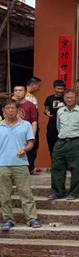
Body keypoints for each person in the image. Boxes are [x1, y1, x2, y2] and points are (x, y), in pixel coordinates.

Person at [0, 99, 41, 231]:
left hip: (21, 164)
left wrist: (25, 149)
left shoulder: (26, 125)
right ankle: (8, 219)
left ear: (17, 110)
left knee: (26, 193)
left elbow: (30, 142)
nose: (10, 110)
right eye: (8, 108)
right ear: (3, 110)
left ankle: (32, 218)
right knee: (4, 194)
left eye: (13, 108)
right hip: (2, 164)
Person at [49, 89, 79, 201]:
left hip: (77, 141)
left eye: (71, 98)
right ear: (64, 98)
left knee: (76, 168)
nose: (69, 100)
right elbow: (58, 126)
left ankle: (73, 192)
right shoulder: (60, 111)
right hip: (62, 141)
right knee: (57, 167)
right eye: (67, 98)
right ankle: (58, 191)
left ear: (76, 99)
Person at [12, 85, 38, 174]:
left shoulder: (30, 105)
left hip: (26, 132)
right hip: (13, 133)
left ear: (25, 92)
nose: (18, 92)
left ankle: (29, 169)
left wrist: (32, 135)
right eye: (16, 90)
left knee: (29, 152)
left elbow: (34, 121)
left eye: (20, 90)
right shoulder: (11, 105)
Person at [43, 80, 66, 155]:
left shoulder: (66, 98)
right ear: (54, 88)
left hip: (64, 125)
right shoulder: (49, 98)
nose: (60, 90)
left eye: (62, 89)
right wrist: (47, 113)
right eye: (58, 88)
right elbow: (46, 109)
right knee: (51, 145)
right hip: (52, 125)